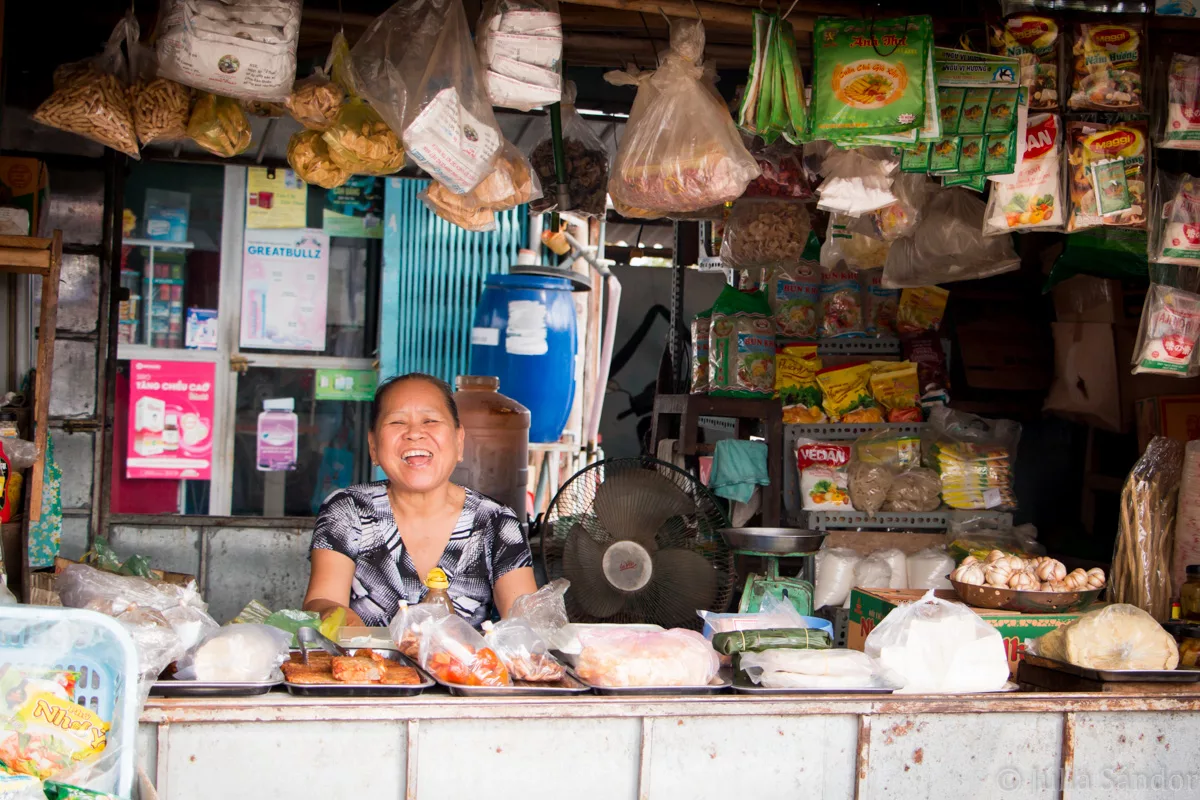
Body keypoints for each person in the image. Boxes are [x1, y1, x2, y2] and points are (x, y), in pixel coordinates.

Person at [303, 373, 537, 628]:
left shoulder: (497, 522)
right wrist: (336, 617)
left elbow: (525, 622)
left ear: (459, 442)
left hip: (466, 668)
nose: (414, 433)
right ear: (373, 447)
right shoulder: (348, 510)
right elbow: (322, 600)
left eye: (430, 420)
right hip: (364, 666)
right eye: (397, 422)